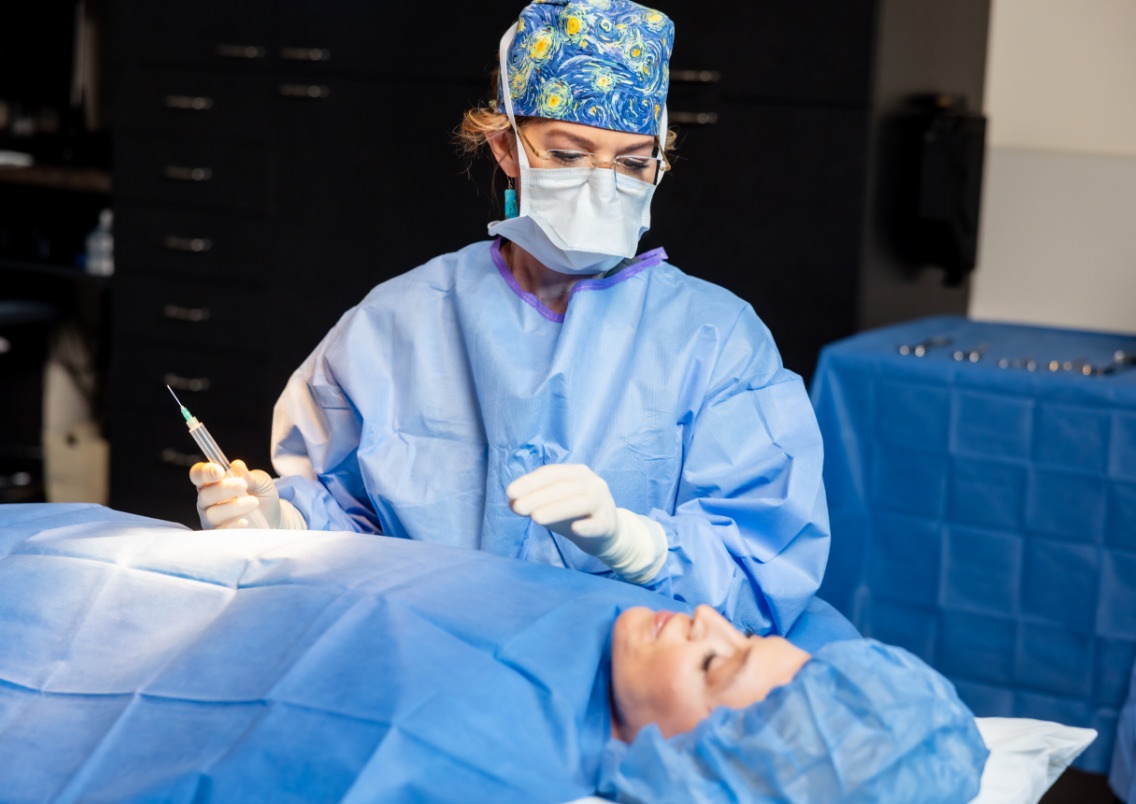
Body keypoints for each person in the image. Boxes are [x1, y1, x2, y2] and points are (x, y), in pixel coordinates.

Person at [189, 0, 830, 636]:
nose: (603, 184)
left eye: (633, 162)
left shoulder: (717, 341)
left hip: (607, 676)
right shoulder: (398, 322)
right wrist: (282, 526)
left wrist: (639, 546)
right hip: (421, 659)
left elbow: (763, 569)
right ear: (506, 149)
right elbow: (346, 526)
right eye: (570, 156)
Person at [0, 503, 986, 803]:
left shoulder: (467, 766)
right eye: (740, 635)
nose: (702, 619)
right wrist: (288, 518)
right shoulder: (621, 628)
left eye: (713, 666)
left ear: (695, 774)